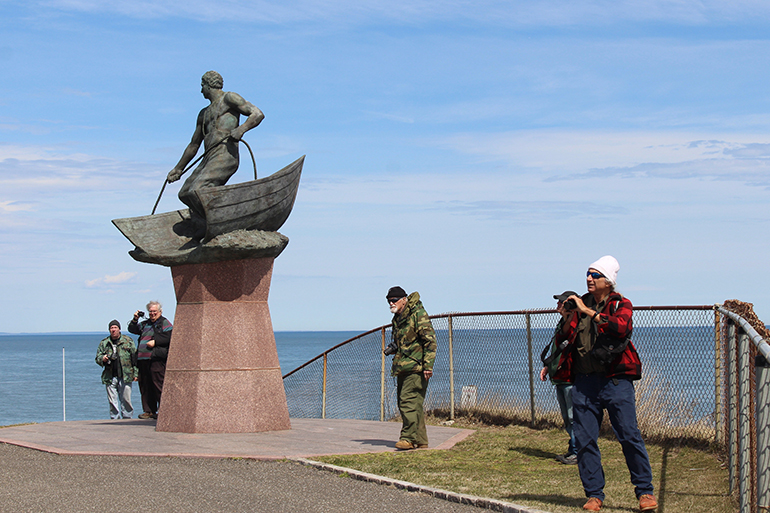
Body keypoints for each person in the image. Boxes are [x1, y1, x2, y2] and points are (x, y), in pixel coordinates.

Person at [556, 256, 657, 512]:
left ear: (608, 281)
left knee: (629, 435)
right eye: (588, 274)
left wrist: (588, 312)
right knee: (585, 439)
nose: (589, 279)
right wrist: (568, 316)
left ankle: (644, 491)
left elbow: (621, 328)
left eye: (595, 275)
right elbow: (563, 340)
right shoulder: (580, 305)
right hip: (584, 383)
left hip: (616, 381)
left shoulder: (620, 304)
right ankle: (593, 494)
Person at [167, 70, 264, 240]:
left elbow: (257, 113)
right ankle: (204, 223)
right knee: (184, 193)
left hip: (225, 154)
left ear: (209, 84)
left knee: (199, 189)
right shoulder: (203, 114)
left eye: (202, 86)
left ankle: (221, 220)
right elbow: (193, 145)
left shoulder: (229, 98)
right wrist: (178, 169)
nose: (201, 90)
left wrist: (241, 129)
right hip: (208, 157)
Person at [385, 286, 437, 450]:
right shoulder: (399, 317)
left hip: (416, 367)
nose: (391, 303)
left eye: (394, 300)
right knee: (412, 404)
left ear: (404, 300)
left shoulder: (417, 314)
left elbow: (430, 341)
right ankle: (421, 441)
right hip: (403, 366)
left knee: (407, 401)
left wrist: (428, 366)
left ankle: (407, 438)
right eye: (388, 301)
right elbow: (406, 341)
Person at [539, 290, 579, 465]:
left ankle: (578, 451)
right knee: (567, 417)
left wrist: (571, 318)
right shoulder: (562, 323)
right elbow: (558, 349)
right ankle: (574, 448)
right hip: (560, 377)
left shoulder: (577, 323)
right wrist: (548, 366)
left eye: (561, 303)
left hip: (571, 377)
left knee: (573, 417)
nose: (558, 307)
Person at [128, 301, 173, 419]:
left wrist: (156, 341)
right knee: (145, 385)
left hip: (155, 358)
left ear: (160, 312)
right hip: (142, 359)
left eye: (154, 311)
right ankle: (149, 410)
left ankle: (165, 411)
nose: (152, 314)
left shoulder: (164, 322)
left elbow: (171, 335)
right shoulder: (145, 324)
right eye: (150, 311)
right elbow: (132, 329)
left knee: (158, 384)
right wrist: (135, 319)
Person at [95, 320, 138, 419]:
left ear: (119, 329)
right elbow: (97, 357)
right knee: (112, 400)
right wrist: (103, 359)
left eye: (115, 328)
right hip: (110, 376)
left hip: (125, 375)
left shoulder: (128, 341)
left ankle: (127, 418)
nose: (113, 330)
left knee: (126, 399)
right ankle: (114, 418)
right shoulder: (104, 343)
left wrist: (136, 373)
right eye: (111, 328)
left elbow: (134, 358)